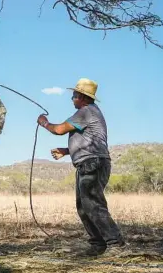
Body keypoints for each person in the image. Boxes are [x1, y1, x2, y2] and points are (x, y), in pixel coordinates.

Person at [36, 78, 126, 257]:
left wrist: (44, 122)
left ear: (82, 97)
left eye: (74, 95)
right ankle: (98, 244)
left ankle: (116, 244)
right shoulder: (91, 112)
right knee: (84, 206)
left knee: (93, 204)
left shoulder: (86, 112)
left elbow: (59, 129)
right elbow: (89, 141)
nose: (72, 99)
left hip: (92, 163)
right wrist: (67, 151)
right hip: (89, 162)